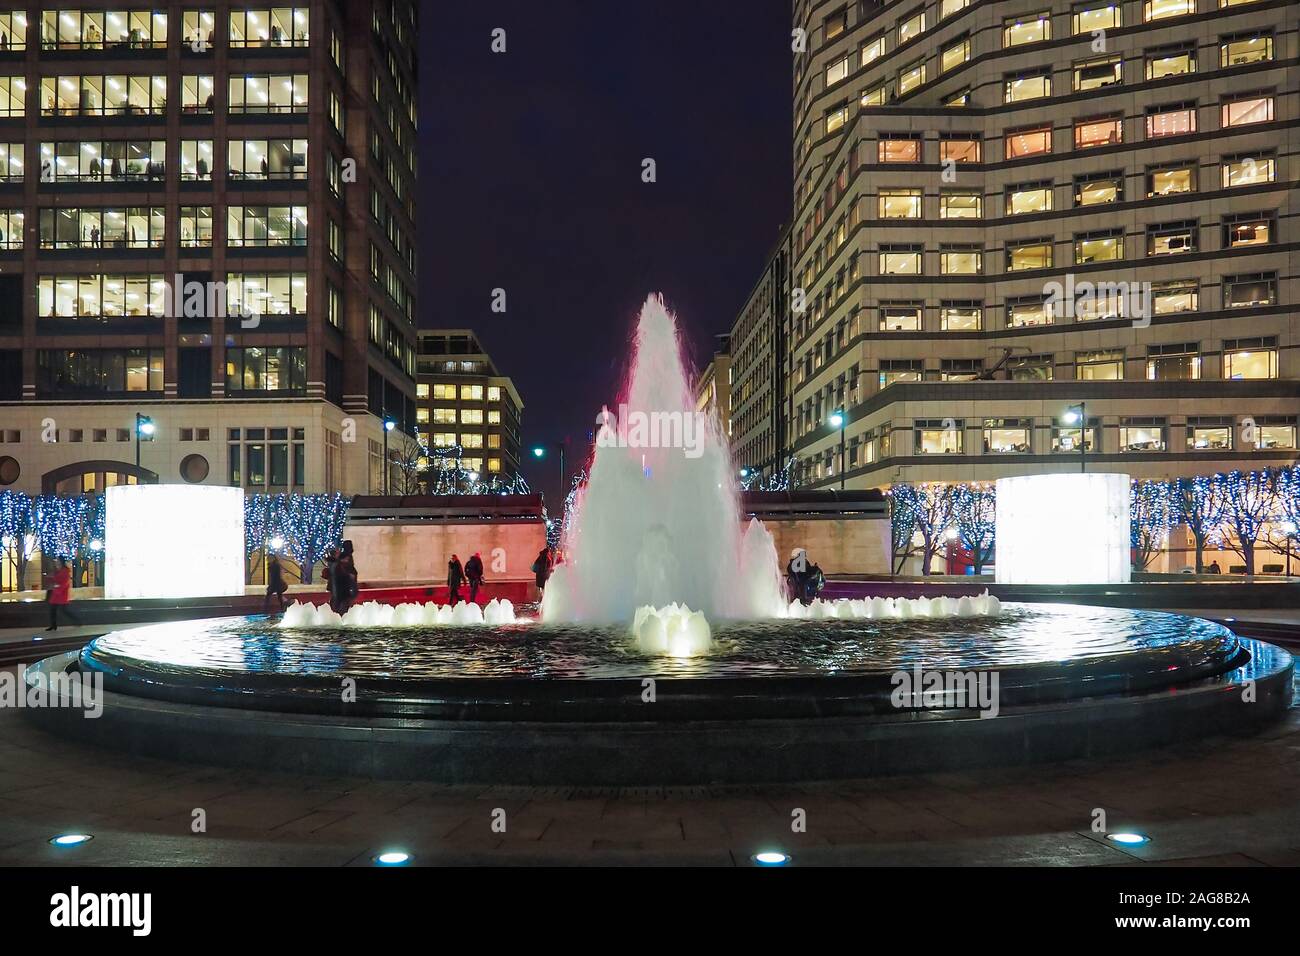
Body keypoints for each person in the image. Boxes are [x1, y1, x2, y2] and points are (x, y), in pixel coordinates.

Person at [44, 559, 74, 631]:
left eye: (58, 562)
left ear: (61, 562)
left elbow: (64, 582)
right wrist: (50, 577)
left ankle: (77, 621)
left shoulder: (65, 571)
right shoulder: (59, 570)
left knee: (64, 610)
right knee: (53, 610)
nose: (56, 563)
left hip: (61, 594)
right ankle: (53, 625)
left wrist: (57, 587)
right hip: (56, 594)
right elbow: (56, 579)